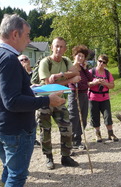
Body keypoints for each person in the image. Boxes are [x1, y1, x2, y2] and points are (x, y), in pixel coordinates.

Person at [0, 14, 66, 187]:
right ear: (15, 33)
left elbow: (4, 92)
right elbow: (12, 101)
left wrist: (30, 89)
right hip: (14, 128)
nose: (29, 40)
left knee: (9, 169)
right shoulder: (8, 59)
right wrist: (46, 101)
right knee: (17, 173)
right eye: (27, 36)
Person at [37, 37, 81, 170]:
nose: (59, 49)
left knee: (67, 128)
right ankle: (48, 157)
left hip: (60, 101)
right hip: (44, 101)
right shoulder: (45, 62)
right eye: (56, 46)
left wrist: (59, 75)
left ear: (65, 49)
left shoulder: (66, 60)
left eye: (62, 47)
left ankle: (66, 156)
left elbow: (76, 72)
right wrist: (70, 80)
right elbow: (48, 84)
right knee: (45, 130)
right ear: (51, 47)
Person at [88, 54, 118, 142]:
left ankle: (110, 133)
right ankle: (98, 133)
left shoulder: (107, 73)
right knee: (95, 116)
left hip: (104, 97)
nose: (101, 63)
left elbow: (112, 85)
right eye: (100, 61)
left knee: (107, 115)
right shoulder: (91, 72)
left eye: (104, 62)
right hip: (93, 97)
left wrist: (105, 84)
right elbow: (86, 84)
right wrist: (95, 82)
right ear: (97, 61)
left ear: (106, 64)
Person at [67, 45, 93, 149]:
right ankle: (73, 140)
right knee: (74, 118)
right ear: (74, 56)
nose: (80, 58)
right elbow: (71, 81)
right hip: (74, 94)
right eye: (79, 56)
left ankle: (78, 139)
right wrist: (82, 84)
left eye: (82, 56)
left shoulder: (82, 68)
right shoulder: (70, 68)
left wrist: (85, 68)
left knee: (83, 117)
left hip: (84, 94)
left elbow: (90, 78)